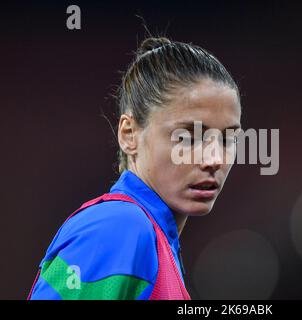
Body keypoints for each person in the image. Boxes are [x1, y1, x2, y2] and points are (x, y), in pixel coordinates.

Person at [27, 36, 242, 300]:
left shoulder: (154, 239)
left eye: (227, 139)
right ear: (129, 134)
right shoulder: (120, 227)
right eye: (188, 137)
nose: (214, 159)